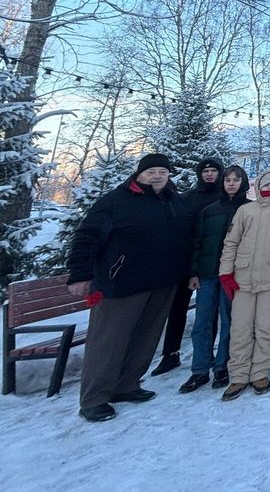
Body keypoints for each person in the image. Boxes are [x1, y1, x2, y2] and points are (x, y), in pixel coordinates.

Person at [65, 153, 194, 422]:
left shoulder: (174, 201)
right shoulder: (116, 201)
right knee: (108, 342)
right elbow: (87, 236)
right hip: (121, 283)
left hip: (162, 282)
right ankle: (94, 398)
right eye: (151, 171)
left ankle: (126, 385)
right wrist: (80, 274)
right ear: (139, 174)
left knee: (146, 337)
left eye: (162, 171)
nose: (157, 176)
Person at [217, 170, 270, 400]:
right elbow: (231, 242)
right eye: (266, 184)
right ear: (258, 186)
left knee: (266, 328)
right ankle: (239, 375)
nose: (269, 188)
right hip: (243, 280)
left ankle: (260, 372)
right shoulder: (246, 211)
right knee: (240, 329)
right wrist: (226, 273)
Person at [179, 165, 250, 394]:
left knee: (229, 321)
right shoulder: (209, 211)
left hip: (234, 275)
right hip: (208, 274)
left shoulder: (249, 210)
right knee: (202, 322)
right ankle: (200, 369)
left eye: (236, 180)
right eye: (227, 180)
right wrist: (193, 273)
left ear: (243, 182)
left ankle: (222, 366)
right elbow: (197, 243)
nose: (231, 184)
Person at [151, 157, 224, 377]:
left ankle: (207, 353)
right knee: (177, 308)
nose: (209, 174)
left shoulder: (225, 197)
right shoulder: (188, 198)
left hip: (212, 262)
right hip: (185, 260)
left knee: (209, 310)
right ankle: (170, 353)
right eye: (205, 171)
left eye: (213, 171)